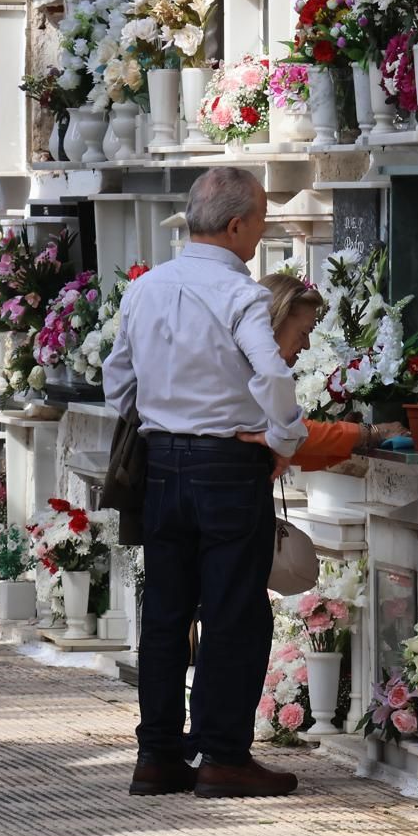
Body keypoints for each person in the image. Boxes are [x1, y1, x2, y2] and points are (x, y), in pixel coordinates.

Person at [103, 166, 308, 799]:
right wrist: (283, 439)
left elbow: (117, 380)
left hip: (163, 466)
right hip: (227, 466)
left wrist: (162, 419)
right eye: (263, 218)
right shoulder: (239, 294)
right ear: (238, 224)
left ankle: (158, 755)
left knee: (166, 614)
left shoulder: (146, 289)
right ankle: (222, 755)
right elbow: (272, 375)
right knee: (232, 613)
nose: (263, 230)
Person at [246, 272, 404, 468]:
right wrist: (372, 433)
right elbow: (294, 436)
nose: (306, 346)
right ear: (274, 321)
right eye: (303, 333)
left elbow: (292, 443)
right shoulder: (247, 373)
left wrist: (351, 434)